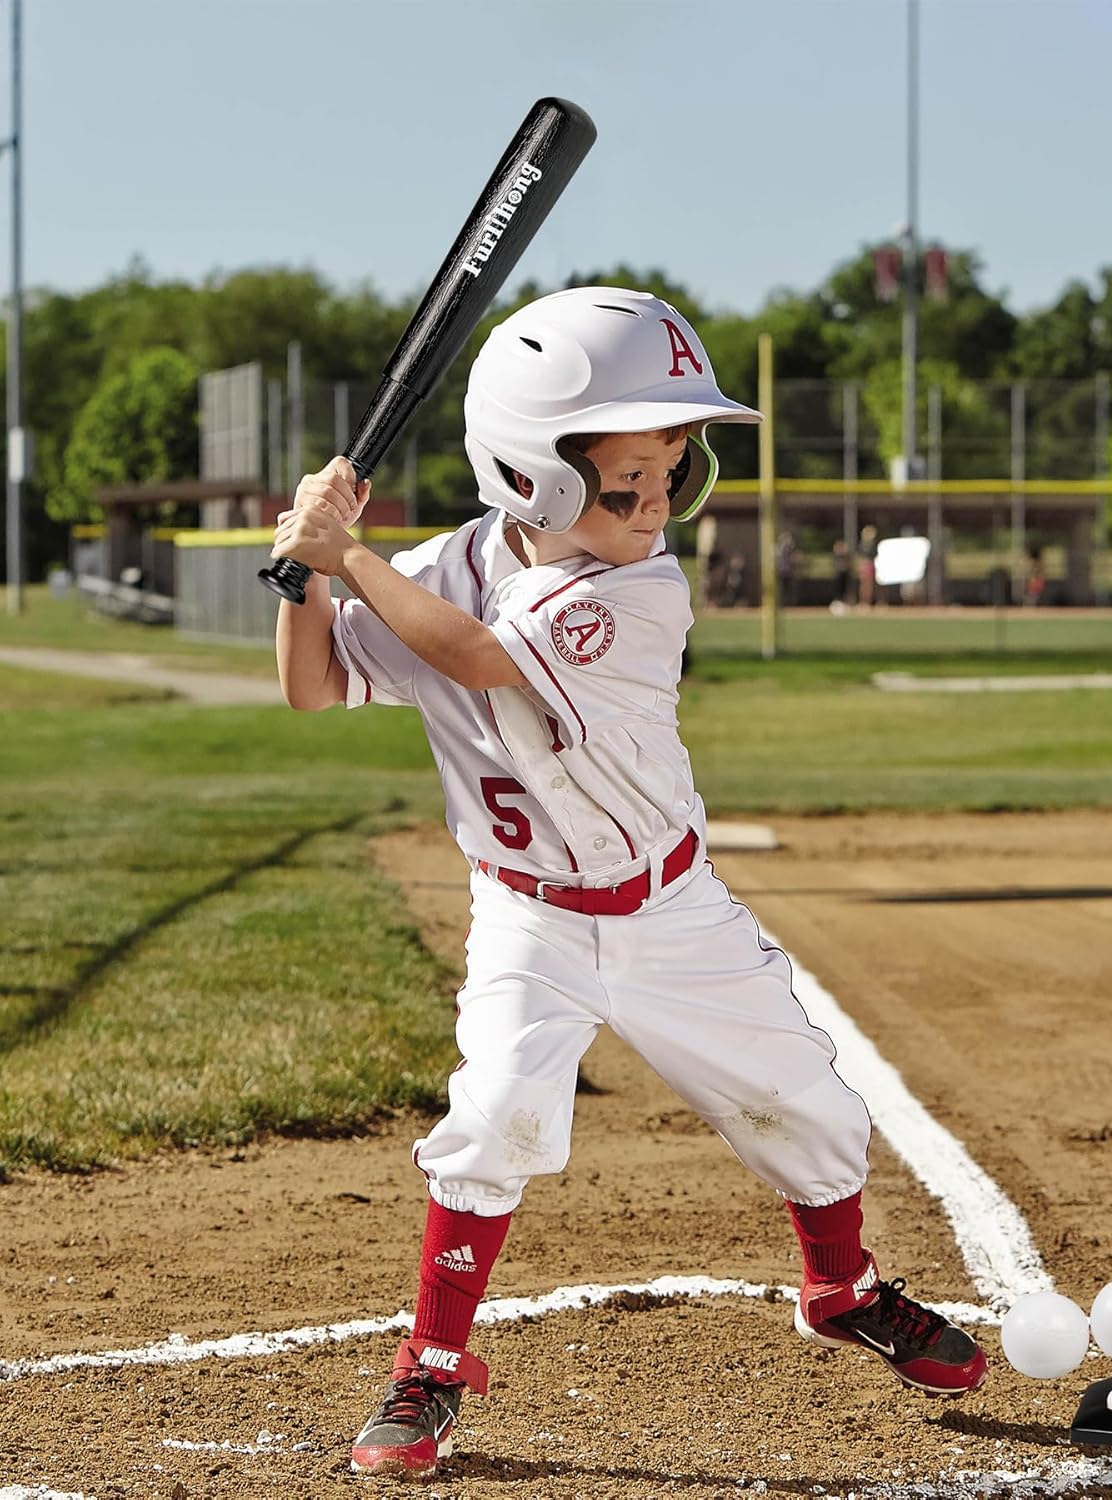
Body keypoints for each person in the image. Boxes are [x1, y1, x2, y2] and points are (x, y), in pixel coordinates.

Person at [270, 287, 988, 1481]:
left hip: (668, 907)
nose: (657, 501)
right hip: (528, 914)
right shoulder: (443, 564)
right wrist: (306, 581)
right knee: (495, 1113)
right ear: (533, 477)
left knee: (807, 1108)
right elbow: (315, 688)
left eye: (675, 471)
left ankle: (841, 1286)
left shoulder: (638, 591)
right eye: (627, 480)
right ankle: (432, 1370)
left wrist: (348, 558)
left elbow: (477, 654)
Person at [855, 523, 879, 608]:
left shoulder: (873, 545)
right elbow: (859, 556)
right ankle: (863, 602)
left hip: (869, 565)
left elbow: (875, 556)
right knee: (863, 586)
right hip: (863, 566)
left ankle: (868, 602)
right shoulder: (861, 544)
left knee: (869, 586)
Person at [830, 537, 852, 610]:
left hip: (845, 575)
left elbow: (849, 565)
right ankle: (837, 603)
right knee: (837, 590)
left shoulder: (846, 555)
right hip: (838, 575)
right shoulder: (835, 556)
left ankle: (845, 603)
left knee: (845, 589)